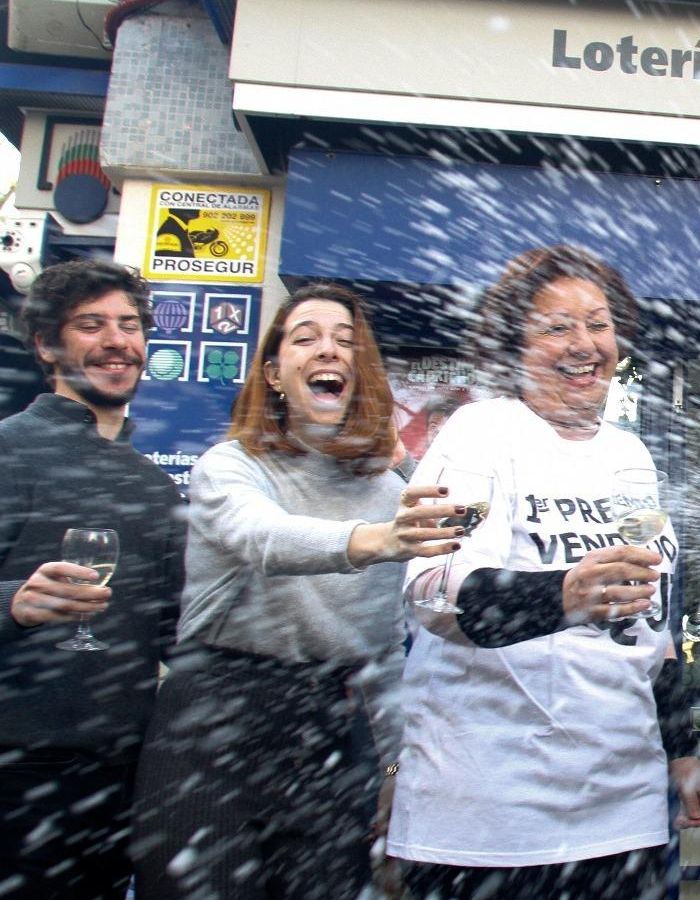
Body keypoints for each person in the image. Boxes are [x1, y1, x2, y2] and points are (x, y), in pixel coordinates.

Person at [386, 245, 700, 898]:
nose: (584, 343)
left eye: (598, 324)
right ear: (514, 347)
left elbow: (652, 633)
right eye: (557, 326)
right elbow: (435, 595)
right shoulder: (479, 434)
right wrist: (561, 594)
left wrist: (681, 751)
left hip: (625, 816)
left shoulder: (631, 458)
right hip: (487, 824)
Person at [130, 284, 456, 898]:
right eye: (305, 338)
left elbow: (385, 653)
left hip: (331, 732)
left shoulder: (389, 492)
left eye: (345, 341)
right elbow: (263, 538)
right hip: (213, 719)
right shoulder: (230, 466)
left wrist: (392, 768)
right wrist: (375, 540)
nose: (327, 350)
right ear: (275, 373)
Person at [0, 260, 185, 899]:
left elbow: (176, 633)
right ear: (48, 345)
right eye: (92, 324)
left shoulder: (156, 489)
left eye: (130, 326)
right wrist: (12, 604)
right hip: (16, 769)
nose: (118, 340)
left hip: (120, 772)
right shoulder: (7, 451)